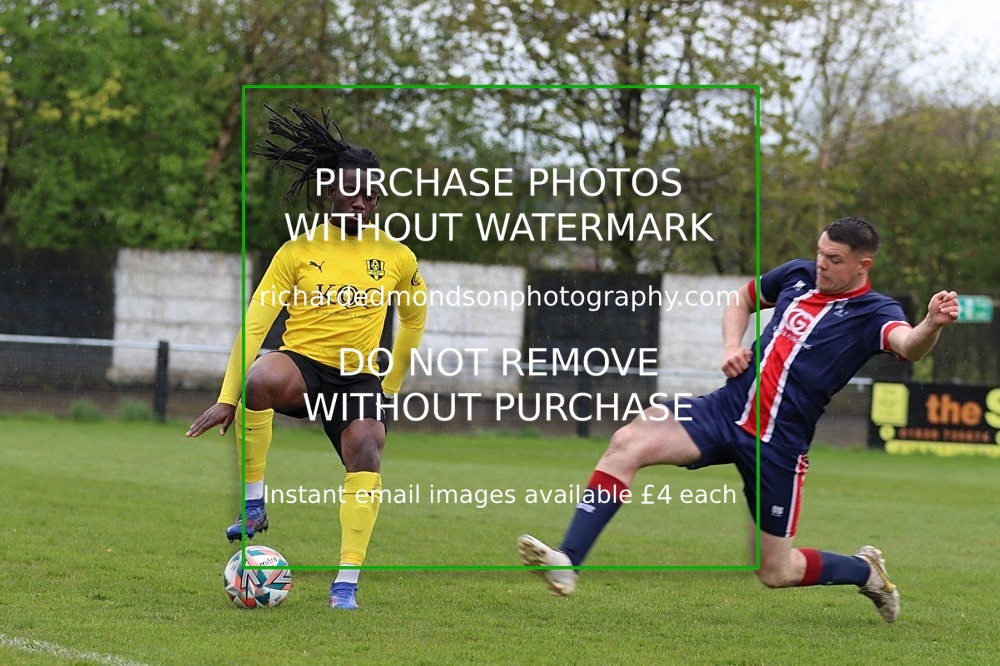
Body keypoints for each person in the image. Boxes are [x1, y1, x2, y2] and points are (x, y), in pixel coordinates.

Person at [518, 216, 959, 623]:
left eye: (834, 259)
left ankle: (865, 572)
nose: (821, 263)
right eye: (820, 252)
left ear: (862, 266)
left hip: (777, 446)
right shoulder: (797, 274)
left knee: (776, 571)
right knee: (628, 441)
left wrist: (932, 324)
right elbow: (742, 300)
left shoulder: (875, 313)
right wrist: (732, 346)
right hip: (725, 410)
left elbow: (908, 344)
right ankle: (569, 559)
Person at [186, 104, 427, 610]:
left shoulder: (398, 257)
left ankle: (346, 584)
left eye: (369, 194)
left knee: (367, 450)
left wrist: (391, 389)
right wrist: (227, 398)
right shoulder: (295, 252)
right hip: (305, 367)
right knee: (258, 380)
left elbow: (414, 319)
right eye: (350, 191)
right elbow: (255, 323)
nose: (359, 201)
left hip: (360, 378)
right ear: (329, 192)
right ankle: (254, 506)